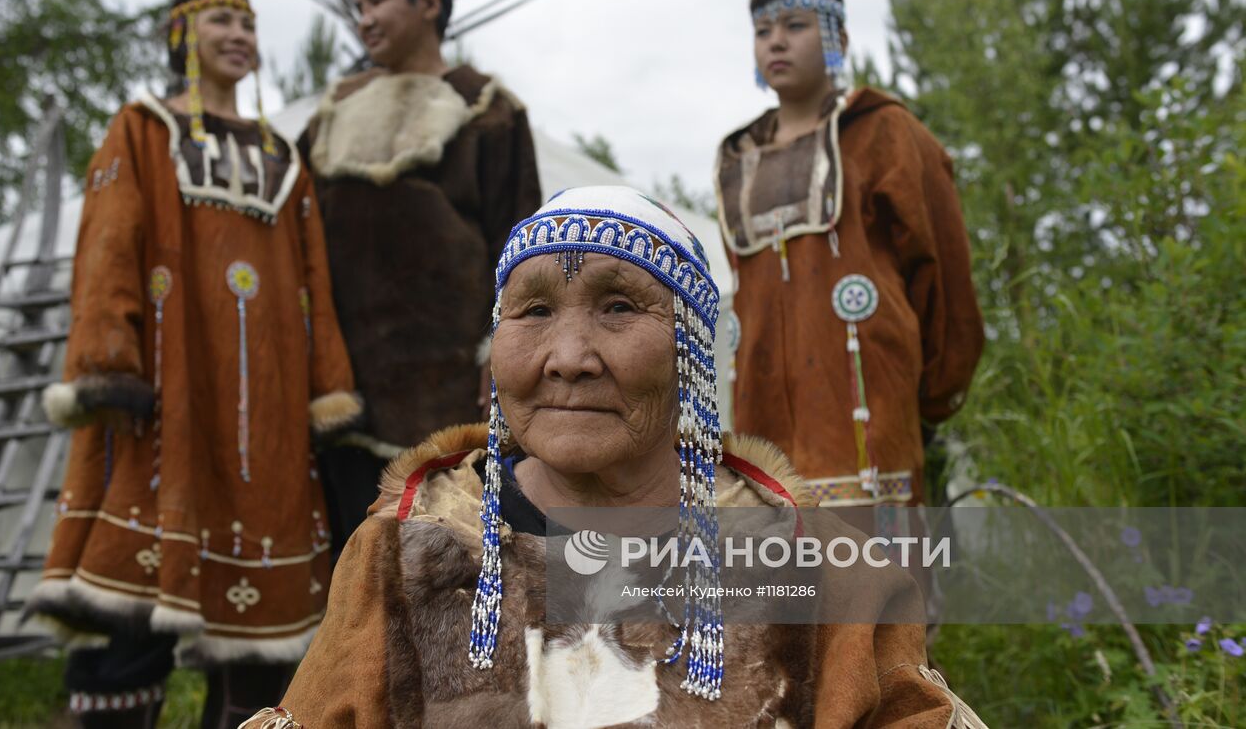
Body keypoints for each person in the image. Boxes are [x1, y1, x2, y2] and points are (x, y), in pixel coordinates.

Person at [240, 186, 987, 727]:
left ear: (693, 351)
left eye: (620, 307)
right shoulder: (400, 555)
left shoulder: (829, 578)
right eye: (532, 311)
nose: (568, 358)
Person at [28, 0, 360, 728]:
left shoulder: (283, 153)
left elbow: (315, 280)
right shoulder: (143, 129)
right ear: (182, 34)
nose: (239, 33)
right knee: (129, 605)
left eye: (248, 23)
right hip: (171, 388)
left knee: (264, 633)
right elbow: (108, 246)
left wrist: (325, 386)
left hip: (267, 411)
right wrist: (108, 363)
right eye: (221, 19)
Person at [299, 0, 541, 556]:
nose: (364, 21)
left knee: (455, 560)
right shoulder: (330, 115)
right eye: (357, 8)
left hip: (451, 383)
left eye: (377, 1)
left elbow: (523, 247)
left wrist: (502, 353)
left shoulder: (487, 108)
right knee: (355, 563)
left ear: (428, 3)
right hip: (343, 386)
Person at [715, 0, 984, 508]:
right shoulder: (738, 155)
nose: (777, 40)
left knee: (877, 579)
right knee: (774, 574)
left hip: (868, 409)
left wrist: (928, 399)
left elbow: (943, 275)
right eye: (764, 30)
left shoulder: (885, 131)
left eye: (796, 24)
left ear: (838, 39)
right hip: (761, 419)